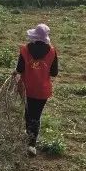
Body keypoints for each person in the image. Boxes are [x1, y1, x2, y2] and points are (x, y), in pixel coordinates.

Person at [13, 23, 59, 157]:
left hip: (26, 88)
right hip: (42, 91)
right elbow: (54, 73)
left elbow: (20, 69)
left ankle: (28, 135)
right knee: (36, 116)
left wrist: (16, 72)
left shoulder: (25, 50)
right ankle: (32, 144)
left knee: (28, 112)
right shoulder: (51, 51)